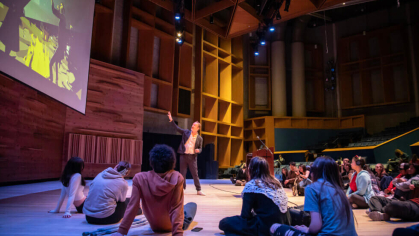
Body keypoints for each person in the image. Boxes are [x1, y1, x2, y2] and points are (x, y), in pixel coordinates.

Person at [111, 144, 197, 236]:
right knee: (191, 205)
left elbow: (132, 207)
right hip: (171, 226)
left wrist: (121, 232)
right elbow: (176, 209)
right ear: (172, 163)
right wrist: (178, 234)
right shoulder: (177, 177)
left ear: (152, 162)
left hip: (154, 226)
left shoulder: (139, 178)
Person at [270, 156, 357, 236]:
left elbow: (316, 226)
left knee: (275, 227)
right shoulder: (339, 191)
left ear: (314, 172)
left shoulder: (312, 188)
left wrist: (307, 230)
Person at [219, 157, 289, 236]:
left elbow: (245, 216)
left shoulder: (252, 185)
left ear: (252, 169)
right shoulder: (276, 182)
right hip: (283, 225)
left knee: (224, 222)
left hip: (265, 227)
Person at [167, 111, 205, 196]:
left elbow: (200, 148)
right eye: (192, 125)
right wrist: (171, 119)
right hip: (183, 156)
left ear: (198, 128)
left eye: (194, 125)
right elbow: (177, 128)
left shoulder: (200, 138)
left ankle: (198, 190)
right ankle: (181, 189)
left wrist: (198, 150)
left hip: (192, 158)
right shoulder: (186, 132)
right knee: (182, 174)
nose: (192, 126)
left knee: (195, 174)